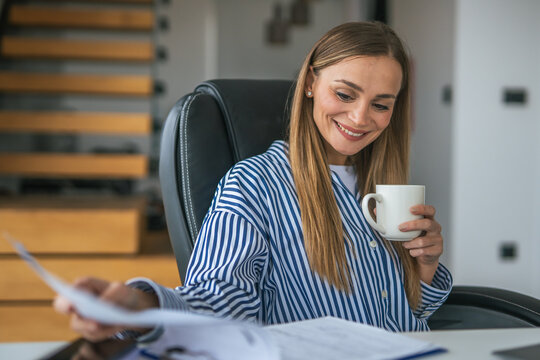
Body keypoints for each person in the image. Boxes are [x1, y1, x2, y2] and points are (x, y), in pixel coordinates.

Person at [55, 21, 452, 342]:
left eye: (381, 104)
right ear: (311, 83)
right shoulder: (254, 185)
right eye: (345, 94)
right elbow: (219, 298)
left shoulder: (381, 187)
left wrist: (425, 267)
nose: (361, 117)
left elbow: (407, 314)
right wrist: (139, 305)